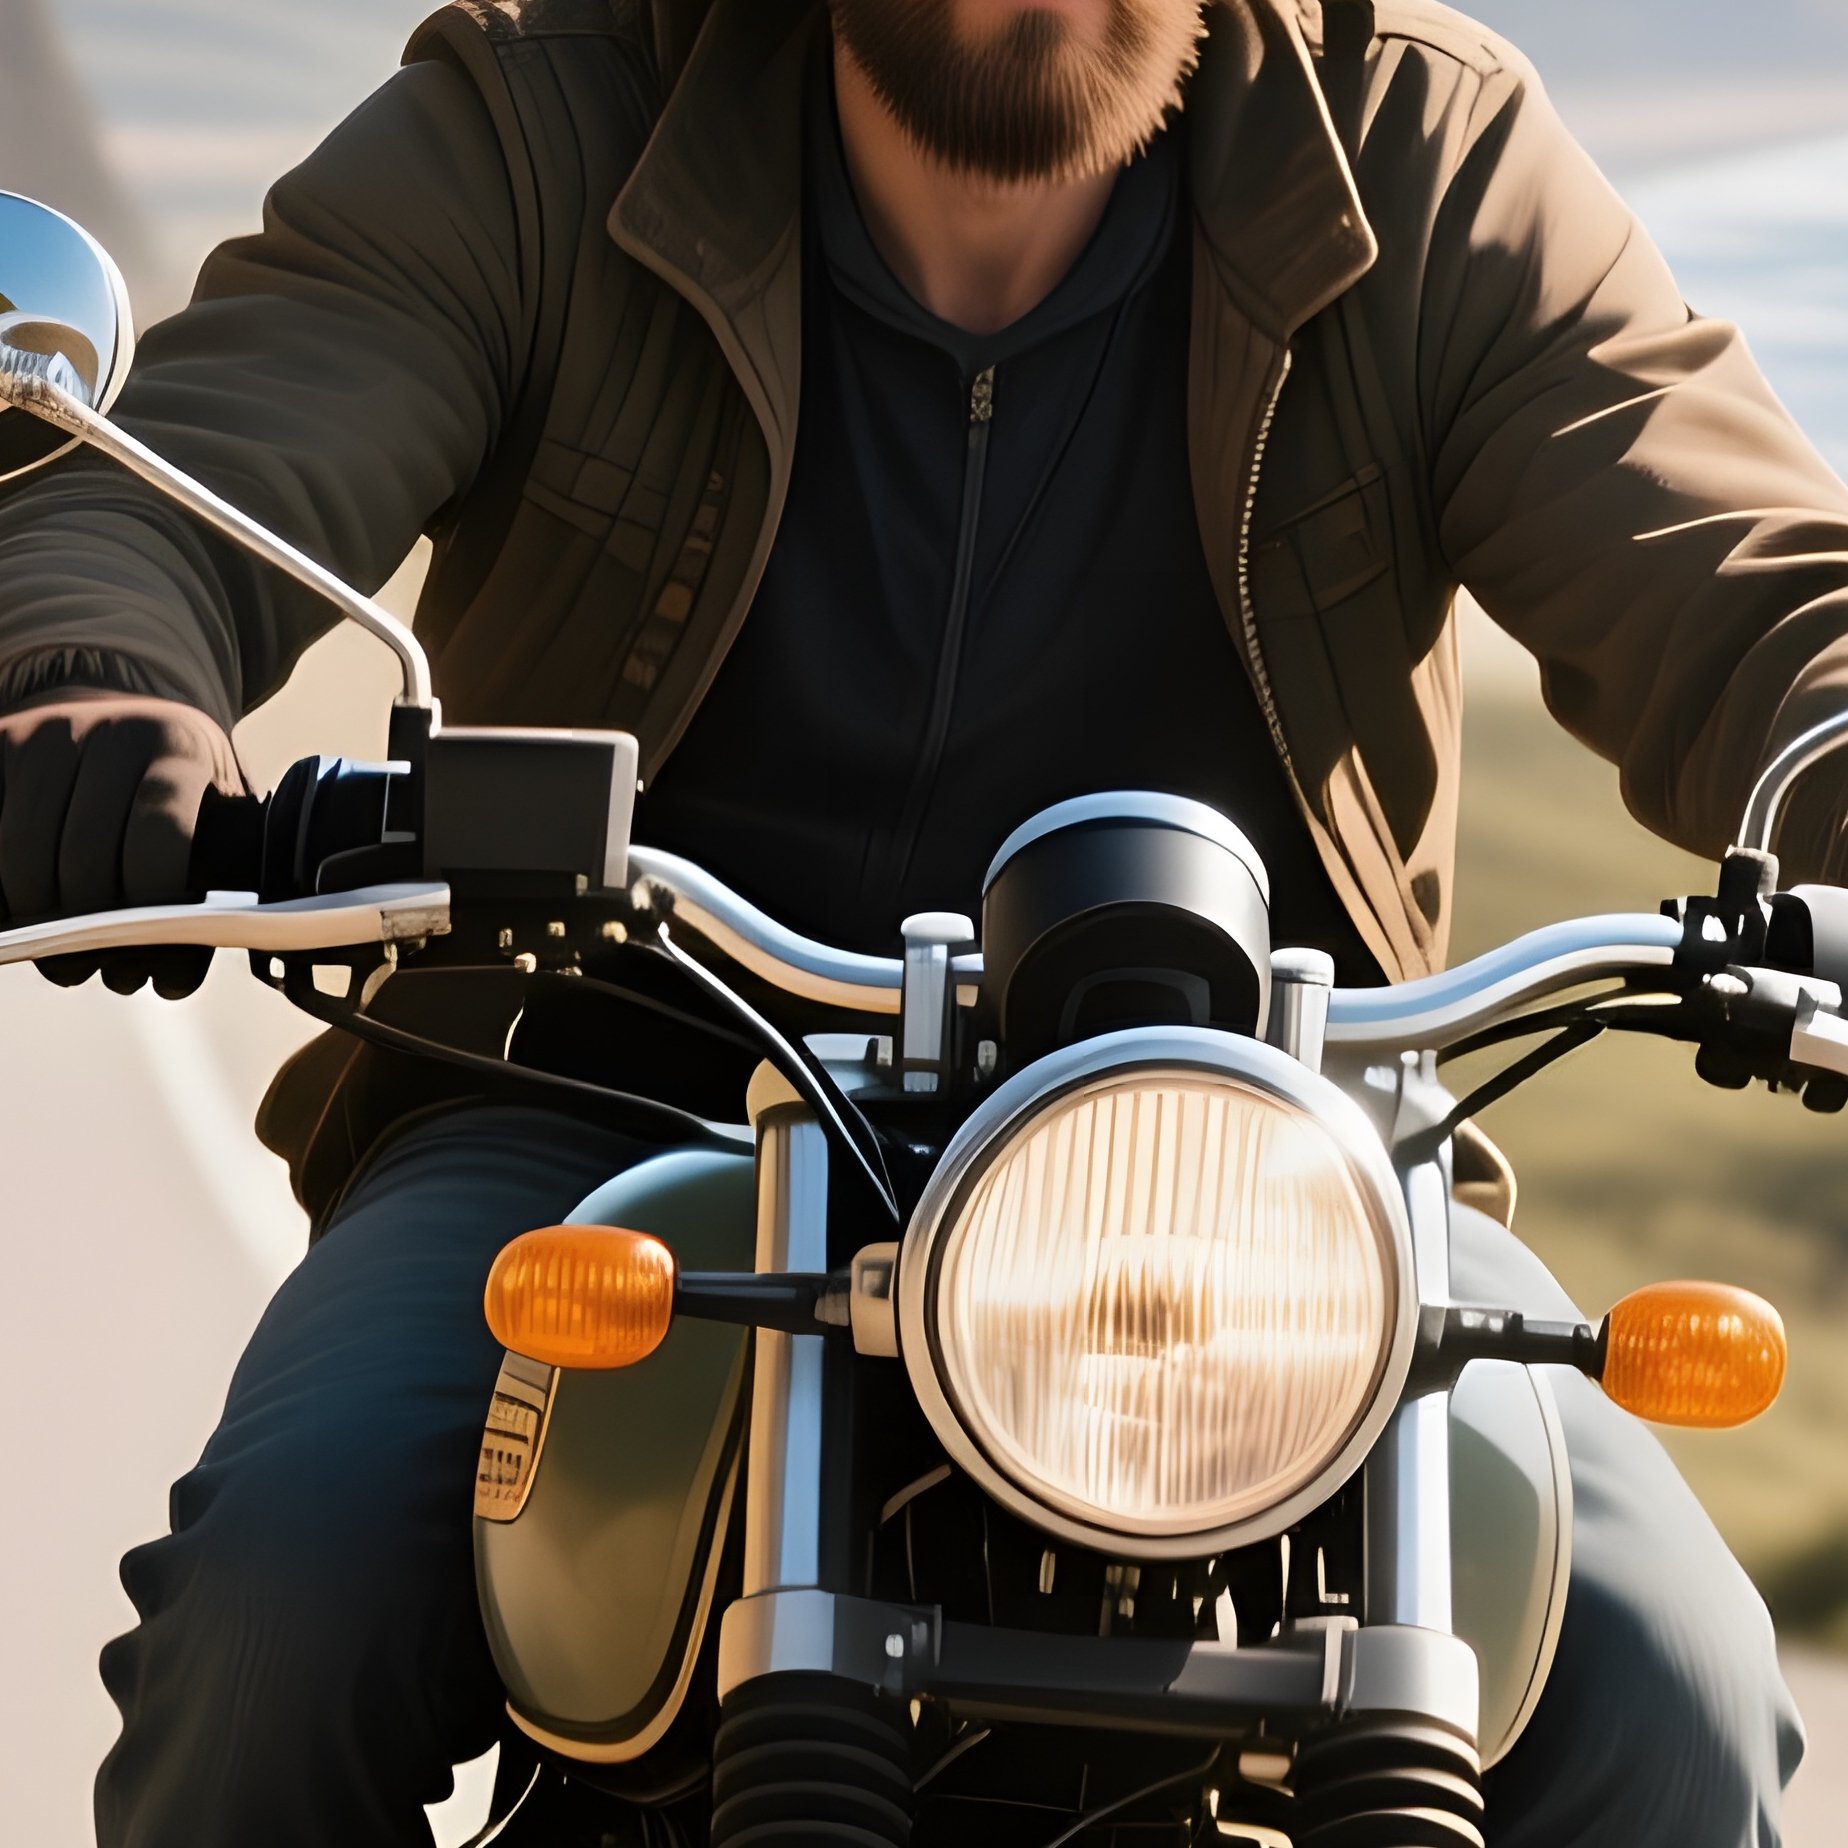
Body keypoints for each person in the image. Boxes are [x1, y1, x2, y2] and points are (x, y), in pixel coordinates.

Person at [0, 1, 1838, 1842]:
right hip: (602, 1110)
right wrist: (98, 684)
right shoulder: (543, 115)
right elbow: (172, 492)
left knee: (1673, 1694)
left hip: (1280, 1182)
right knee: (269, 1625)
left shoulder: (1418, 152)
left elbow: (1758, 592)